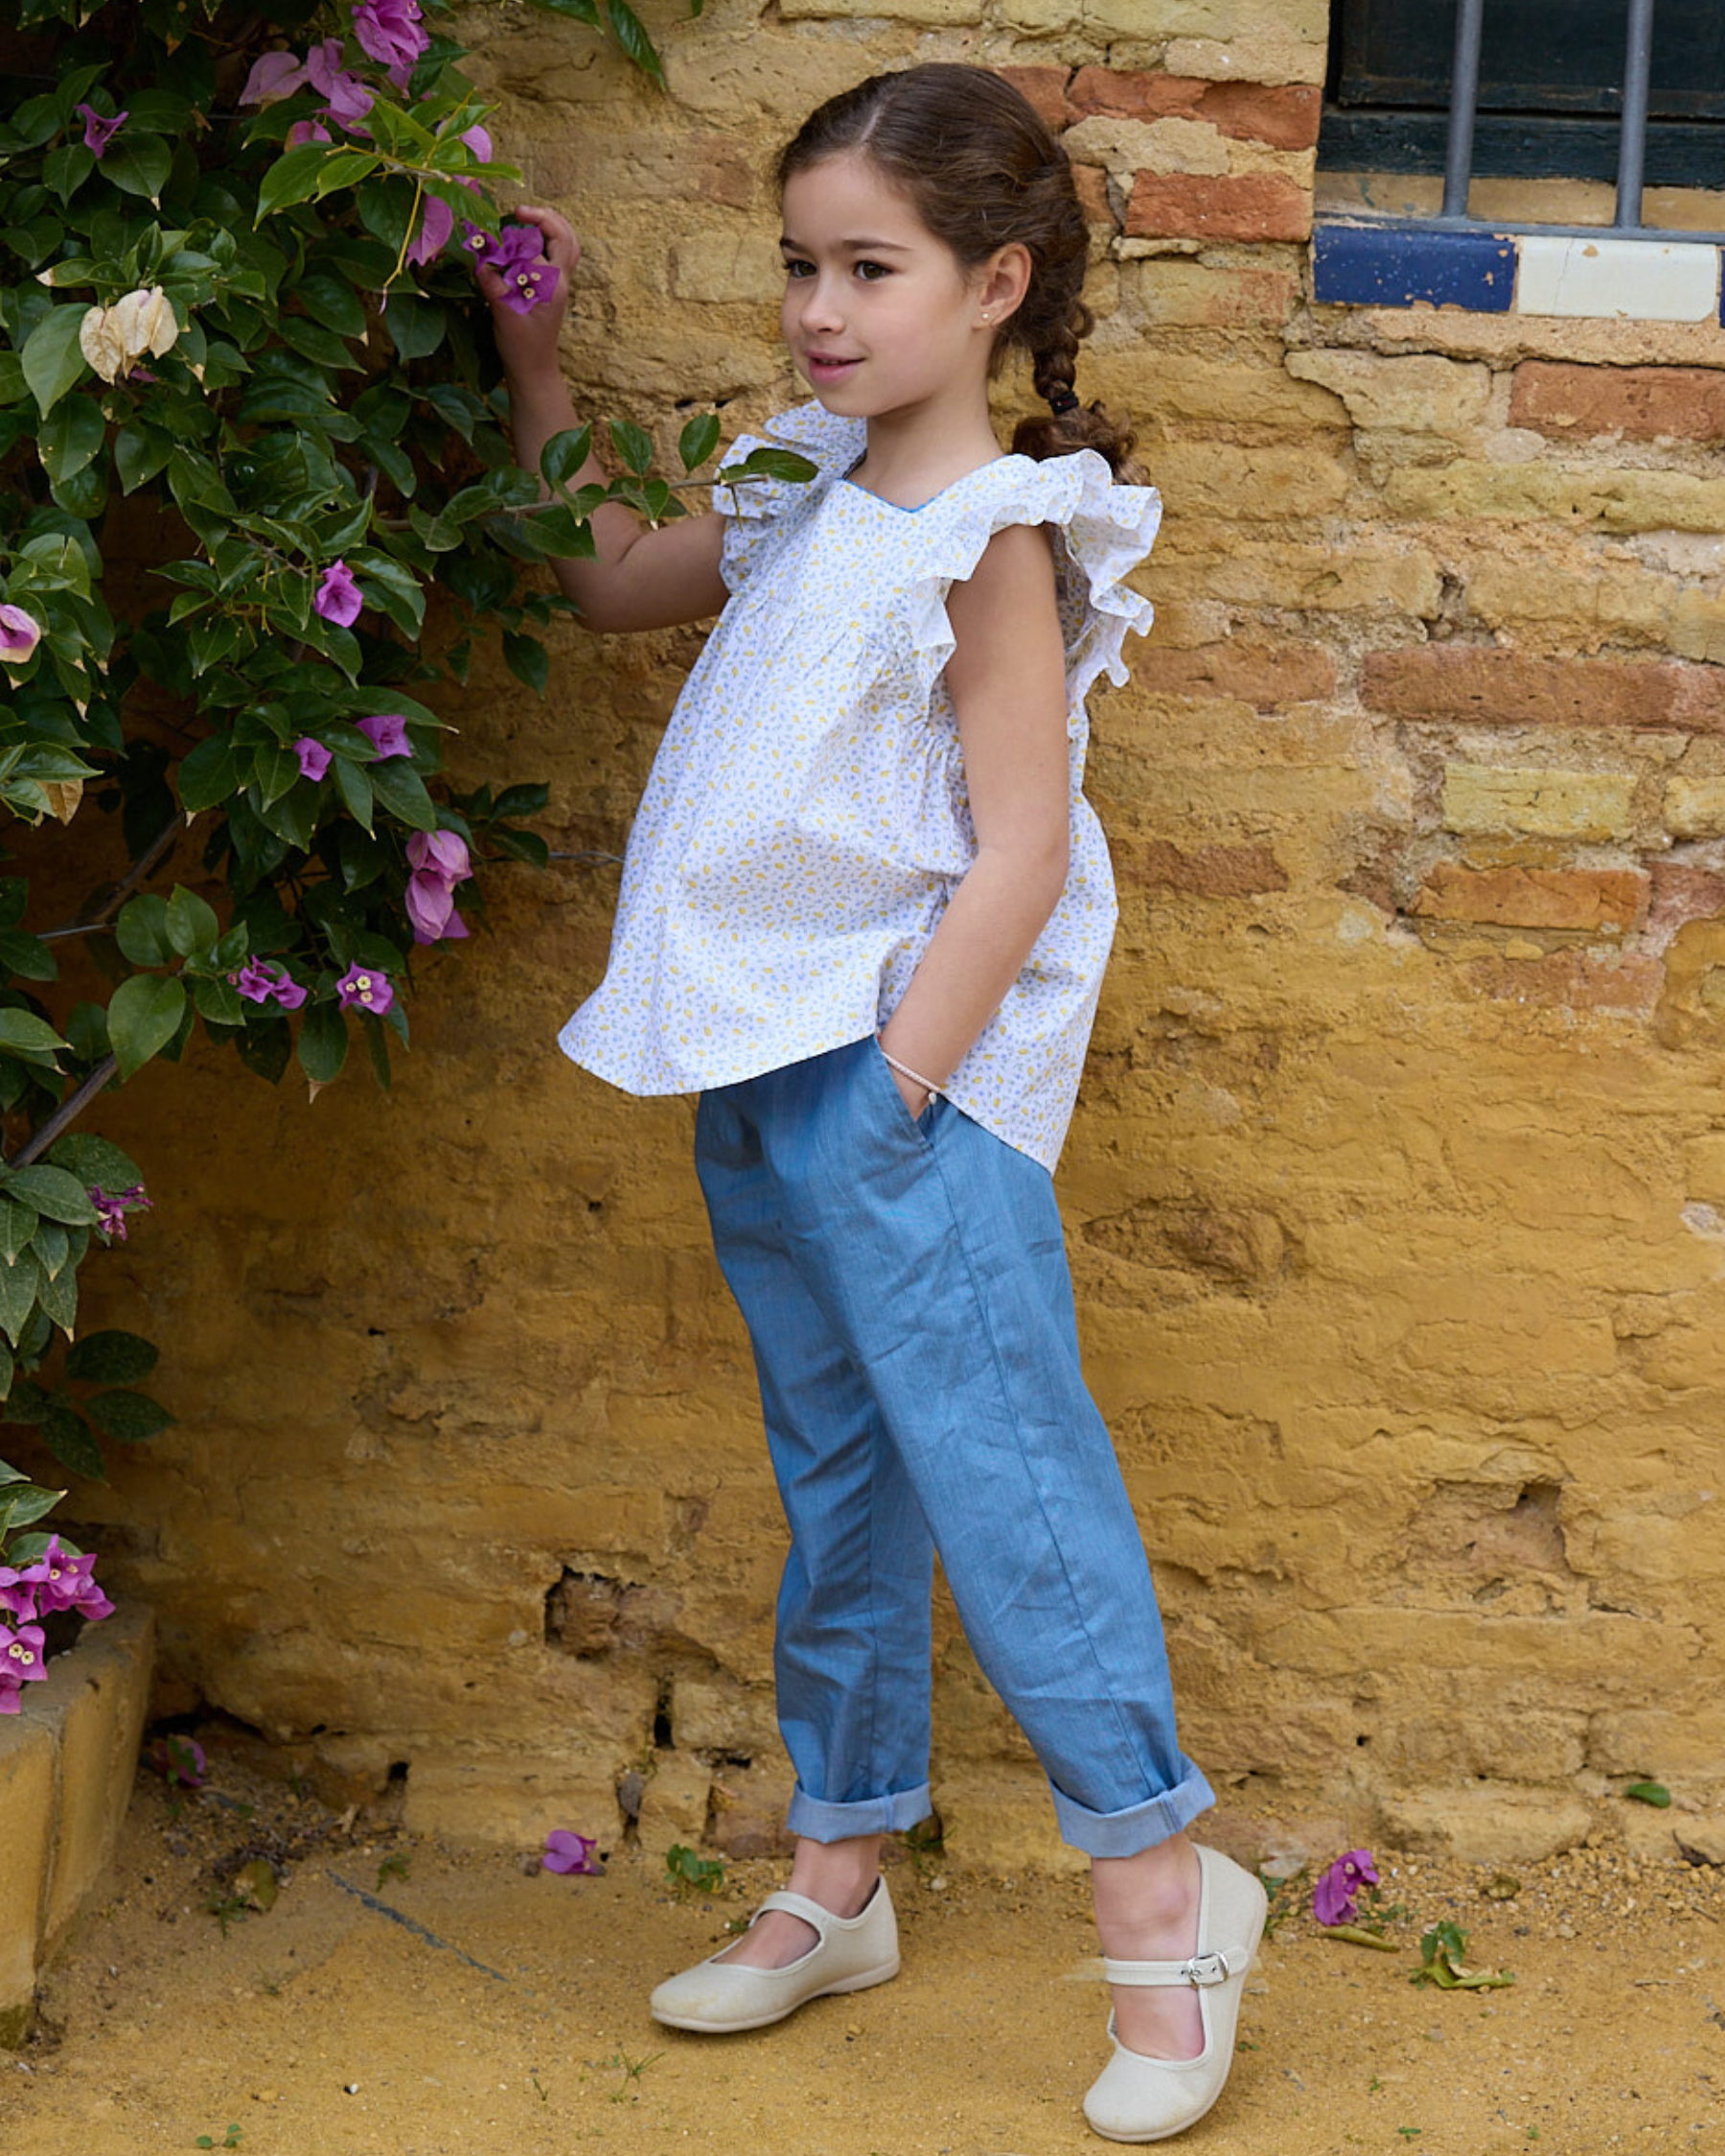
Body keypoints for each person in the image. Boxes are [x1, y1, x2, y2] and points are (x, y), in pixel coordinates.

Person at [482, 61, 1267, 2145]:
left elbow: (1019, 844)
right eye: (801, 265)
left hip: (906, 1080)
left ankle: (1169, 1910)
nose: (822, 308)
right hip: (758, 1055)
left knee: (1010, 1487)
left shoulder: (998, 535)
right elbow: (610, 581)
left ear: (996, 281)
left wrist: (907, 1088)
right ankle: (840, 1876)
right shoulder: (806, 481)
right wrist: (533, 356)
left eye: (873, 268)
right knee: (844, 1484)